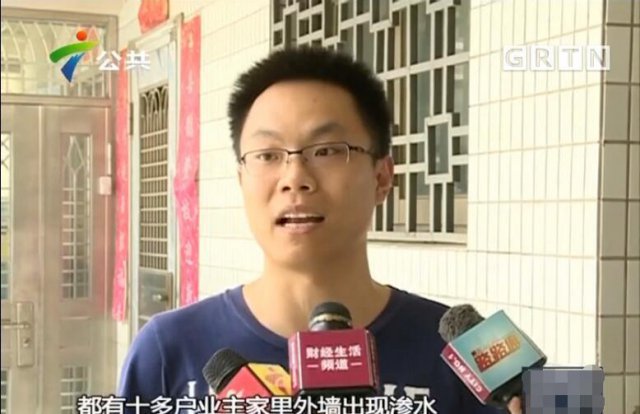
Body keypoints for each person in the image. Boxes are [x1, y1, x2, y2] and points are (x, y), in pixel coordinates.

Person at [118, 46, 522, 414]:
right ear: (241, 178)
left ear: (382, 177)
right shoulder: (167, 351)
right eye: (267, 155)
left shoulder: (464, 357)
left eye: (326, 150)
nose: (295, 177)